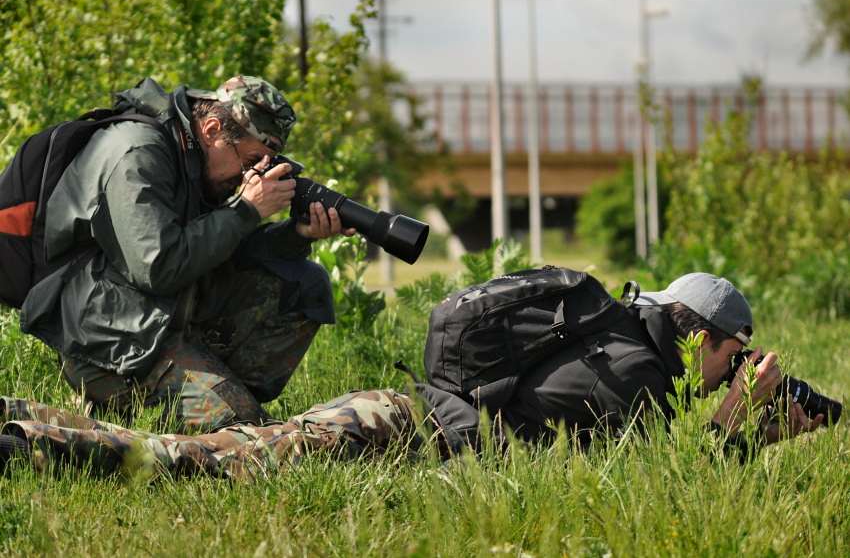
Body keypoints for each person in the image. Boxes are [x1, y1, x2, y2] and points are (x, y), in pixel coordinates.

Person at [0, 273, 825, 479]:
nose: (729, 378)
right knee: (207, 462)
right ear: (707, 339)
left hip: (403, 411)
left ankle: (25, 414)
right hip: (399, 431)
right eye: (731, 359)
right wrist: (731, 439)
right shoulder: (640, 375)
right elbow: (649, 482)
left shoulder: (616, 328)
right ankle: (28, 438)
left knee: (221, 446)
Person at [18, 75, 356, 433]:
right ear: (211, 129)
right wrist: (246, 210)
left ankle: (219, 396)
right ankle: (125, 407)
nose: (252, 173)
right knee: (250, 441)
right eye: (252, 159)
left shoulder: (193, 154)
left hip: (161, 318)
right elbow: (159, 267)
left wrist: (295, 234)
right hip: (111, 340)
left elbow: (219, 247)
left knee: (305, 283)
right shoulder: (139, 153)